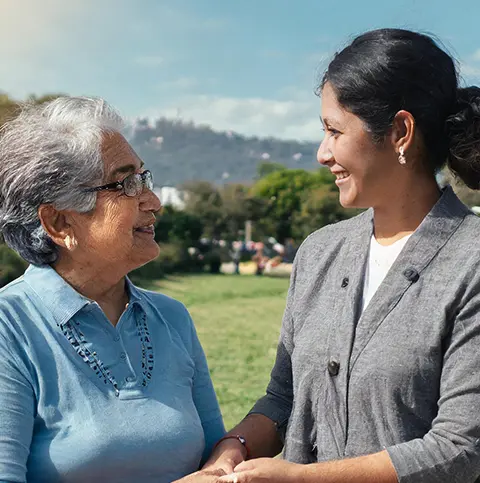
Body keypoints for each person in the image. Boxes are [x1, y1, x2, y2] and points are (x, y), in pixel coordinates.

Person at [194, 28, 480, 483]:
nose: (322, 153)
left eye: (334, 130)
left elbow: (461, 449)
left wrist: (300, 478)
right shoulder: (318, 253)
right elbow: (282, 399)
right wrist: (234, 447)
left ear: (400, 132)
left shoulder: (472, 261)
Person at [0, 97, 225, 482]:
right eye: (126, 184)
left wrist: (228, 461)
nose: (153, 202)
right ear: (58, 222)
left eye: (145, 178)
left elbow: (212, 452)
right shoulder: (10, 327)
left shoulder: (171, 317)